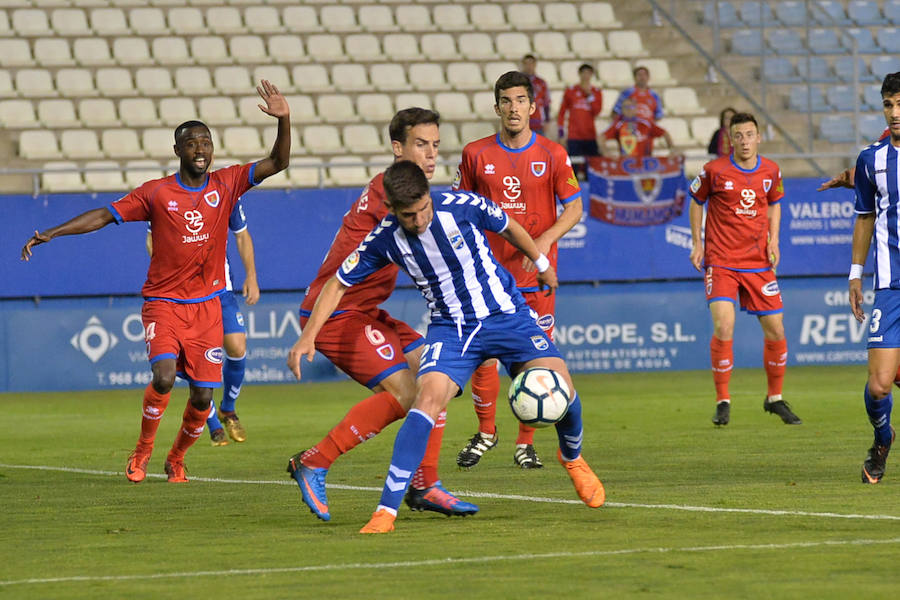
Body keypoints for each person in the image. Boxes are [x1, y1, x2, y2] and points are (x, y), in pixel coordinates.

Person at [291, 160, 605, 534]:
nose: (420, 219)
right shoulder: (384, 239)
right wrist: (308, 335)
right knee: (426, 399)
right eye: (410, 215)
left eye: (424, 207)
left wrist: (540, 261)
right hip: (451, 330)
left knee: (560, 385)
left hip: (506, 314)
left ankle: (572, 458)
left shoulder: (461, 205)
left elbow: (508, 226)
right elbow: (338, 283)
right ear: (391, 209)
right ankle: (386, 512)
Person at [21, 80, 290, 483]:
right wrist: (52, 233)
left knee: (202, 396)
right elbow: (104, 215)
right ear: (177, 150)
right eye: (192, 143)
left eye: (206, 142)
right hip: (163, 302)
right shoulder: (156, 193)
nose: (201, 149)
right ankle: (142, 453)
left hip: (208, 307)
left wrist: (284, 120)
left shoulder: (228, 183)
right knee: (163, 377)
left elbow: (278, 161)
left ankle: (176, 458)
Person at [285, 108, 476, 522]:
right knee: (408, 395)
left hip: (367, 311)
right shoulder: (388, 197)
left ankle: (425, 484)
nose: (431, 154)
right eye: (421, 144)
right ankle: (315, 461)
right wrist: (309, 335)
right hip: (337, 313)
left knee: (436, 380)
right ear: (397, 148)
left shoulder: (407, 193)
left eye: (436, 145)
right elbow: (341, 278)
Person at [452, 71, 583, 470]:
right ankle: (487, 432)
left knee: (537, 363)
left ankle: (526, 443)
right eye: (506, 101)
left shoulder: (553, 154)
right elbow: (460, 209)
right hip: (489, 278)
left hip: (537, 276)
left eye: (520, 100)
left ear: (532, 106)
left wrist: (542, 242)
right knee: (484, 359)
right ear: (497, 107)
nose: (513, 108)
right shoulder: (475, 154)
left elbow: (574, 208)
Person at [688, 111, 802, 427]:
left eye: (749, 134)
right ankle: (722, 400)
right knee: (725, 326)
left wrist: (774, 239)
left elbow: (774, 202)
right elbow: (696, 201)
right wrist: (697, 243)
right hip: (722, 260)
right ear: (730, 139)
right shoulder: (714, 170)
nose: (744, 141)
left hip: (758, 263)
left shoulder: (771, 170)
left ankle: (774, 398)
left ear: (758, 137)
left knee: (777, 329)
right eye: (738, 135)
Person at [147, 200, 258, 446]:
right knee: (192, 360)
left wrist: (251, 275)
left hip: (220, 291)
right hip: (185, 296)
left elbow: (241, 236)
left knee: (237, 348)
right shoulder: (167, 197)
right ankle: (213, 423)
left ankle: (227, 409)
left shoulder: (224, 194)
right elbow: (152, 240)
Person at [848, 72, 900, 484]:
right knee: (880, 385)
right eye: (889, 105)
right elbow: (865, 217)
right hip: (890, 285)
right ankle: (882, 438)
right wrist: (855, 274)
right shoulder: (872, 159)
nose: (895, 112)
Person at [557, 63, 603, 179]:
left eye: (588, 73)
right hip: (574, 136)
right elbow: (561, 113)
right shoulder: (571, 91)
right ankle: (572, 196)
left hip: (590, 136)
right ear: (579, 74)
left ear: (592, 75)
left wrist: (589, 96)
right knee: (573, 170)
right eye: (584, 73)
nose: (586, 76)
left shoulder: (596, 92)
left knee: (591, 169)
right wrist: (561, 134)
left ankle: (592, 196)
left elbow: (597, 111)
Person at [602, 97, 674, 158]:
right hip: (626, 164)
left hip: (645, 163)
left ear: (636, 109)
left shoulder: (646, 123)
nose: (629, 109)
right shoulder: (618, 125)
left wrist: (672, 151)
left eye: (632, 107)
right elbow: (601, 137)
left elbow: (665, 134)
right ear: (622, 110)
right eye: (626, 107)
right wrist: (606, 153)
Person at [522, 54, 551, 135]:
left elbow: (546, 103)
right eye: (526, 63)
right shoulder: (518, 82)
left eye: (531, 63)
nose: (529, 66)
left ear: (535, 65)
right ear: (523, 65)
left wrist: (547, 120)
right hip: (522, 123)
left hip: (538, 123)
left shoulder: (541, 83)